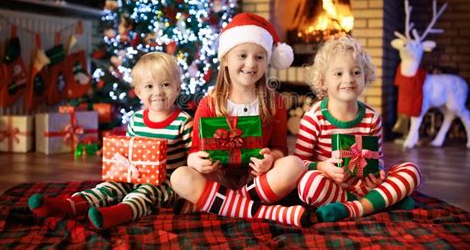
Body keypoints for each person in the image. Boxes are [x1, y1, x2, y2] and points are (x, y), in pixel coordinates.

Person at [170, 13, 310, 228]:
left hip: (257, 180)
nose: (250, 64)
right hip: (218, 178)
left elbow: (280, 148)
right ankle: (265, 211)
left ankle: (221, 204)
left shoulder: (275, 103)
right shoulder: (209, 103)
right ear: (225, 59)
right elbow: (195, 151)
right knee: (180, 176)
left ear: (267, 61)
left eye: (259, 57)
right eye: (242, 55)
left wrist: (270, 158)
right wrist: (196, 162)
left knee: (295, 165)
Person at [28, 52, 193, 229]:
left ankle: (119, 213)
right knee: (109, 186)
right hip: (135, 175)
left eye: (166, 84)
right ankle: (69, 205)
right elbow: (130, 151)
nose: (158, 92)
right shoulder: (136, 120)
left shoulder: (183, 122)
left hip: (167, 184)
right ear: (138, 92)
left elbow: (193, 160)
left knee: (146, 192)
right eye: (149, 86)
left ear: (178, 88)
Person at [295, 36, 422, 222]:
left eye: (356, 72)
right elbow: (299, 164)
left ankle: (353, 208)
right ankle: (379, 203)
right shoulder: (313, 119)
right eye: (338, 74)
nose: (349, 79)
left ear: (366, 76)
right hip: (330, 186)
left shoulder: (372, 119)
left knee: (412, 171)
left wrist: (376, 176)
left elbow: (376, 161)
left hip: (364, 186)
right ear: (323, 81)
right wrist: (322, 167)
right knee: (308, 185)